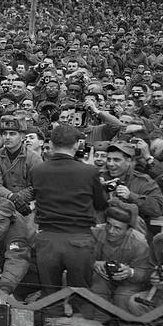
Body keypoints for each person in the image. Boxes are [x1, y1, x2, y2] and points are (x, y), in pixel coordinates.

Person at [31, 123, 108, 297]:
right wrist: (91, 172)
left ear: (51, 144)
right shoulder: (89, 171)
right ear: (76, 145)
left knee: (49, 295)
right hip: (79, 240)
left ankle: (52, 321)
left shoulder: (37, 170)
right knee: (81, 295)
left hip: (47, 239)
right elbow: (101, 205)